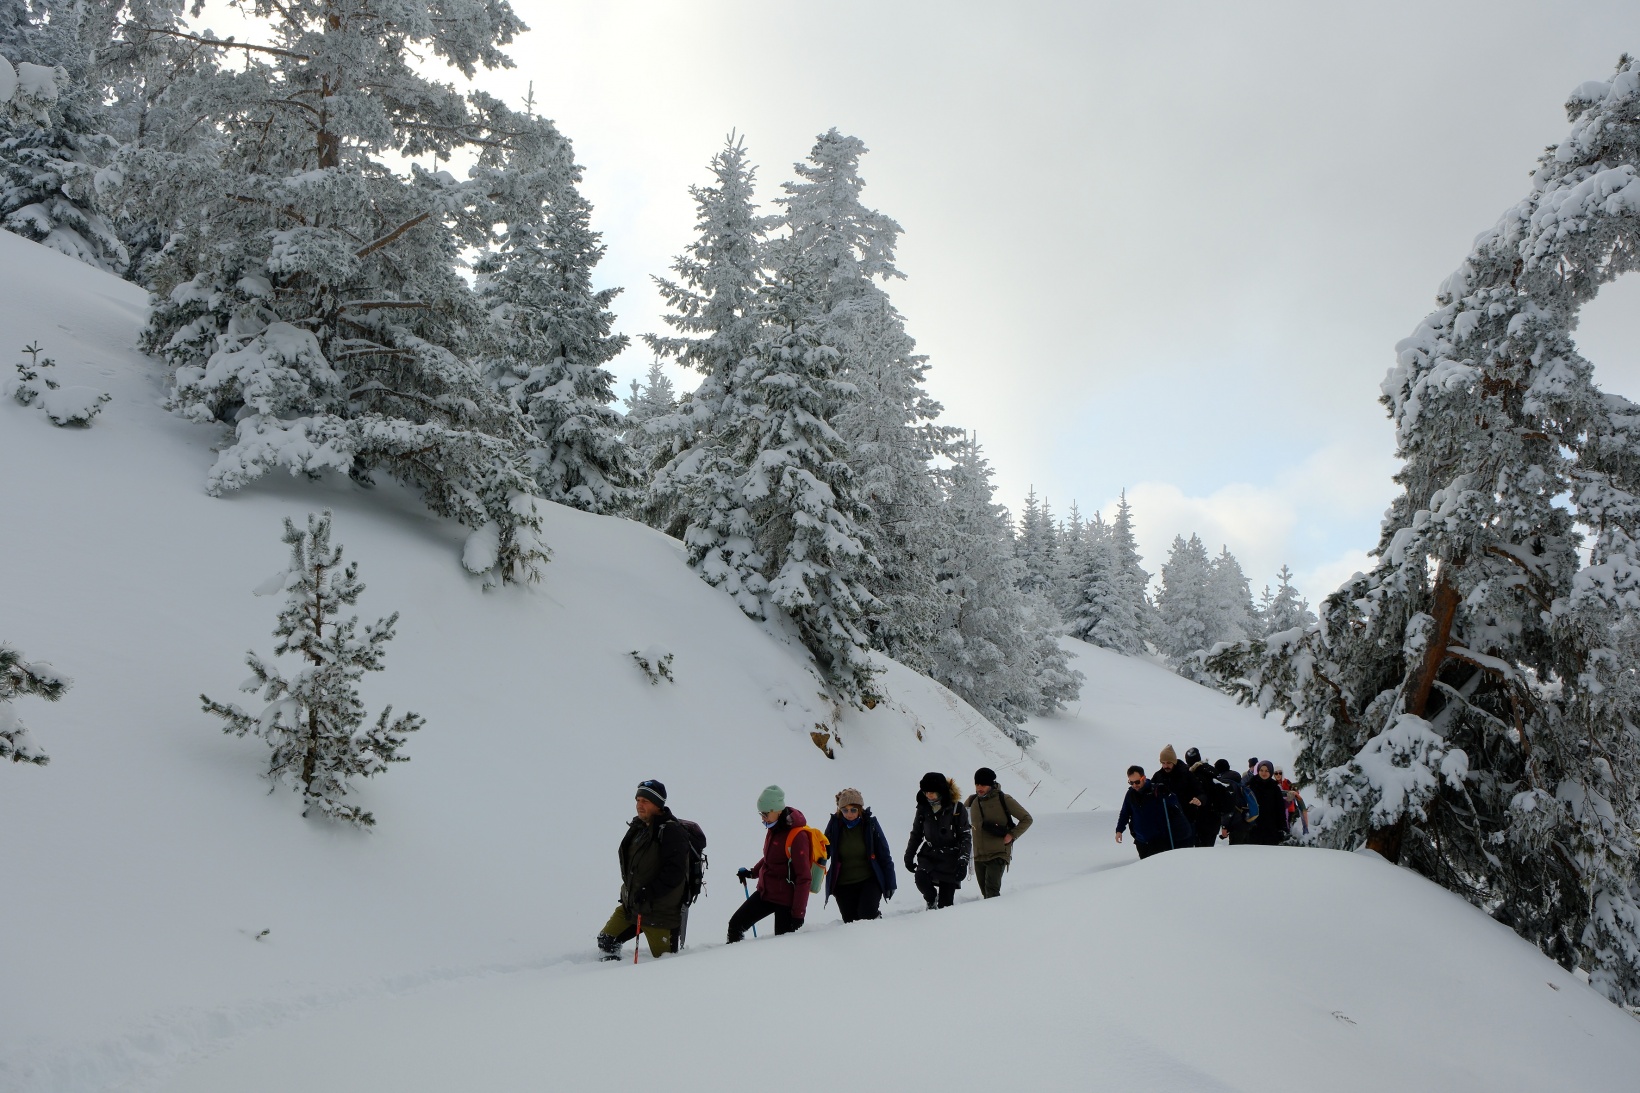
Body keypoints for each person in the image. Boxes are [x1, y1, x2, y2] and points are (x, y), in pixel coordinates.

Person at [596, 779, 690, 961]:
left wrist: (648, 892)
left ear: (658, 804)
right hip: (633, 907)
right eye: (638, 800)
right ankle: (611, 979)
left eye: (645, 801)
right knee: (607, 940)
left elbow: (674, 873)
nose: (639, 805)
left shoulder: (672, 832)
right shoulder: (638, 827)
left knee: (665, 961)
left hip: (661, 914)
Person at [727, 785, 813, 942]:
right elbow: (770, 858)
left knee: (782, 945)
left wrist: (798, 913)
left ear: (778, 811)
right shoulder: (773, 828)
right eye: (761, 814)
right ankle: (735, 962)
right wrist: (752, 872)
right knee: (735, 924)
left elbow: (804, 877)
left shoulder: (797, 835)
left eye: (765, 814)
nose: (763, 818)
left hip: (786, 901)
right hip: (766, 892)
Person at [823, 788, 896, 922]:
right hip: (843, 884)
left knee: (867, 915)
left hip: (869, 880)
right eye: (845, 810)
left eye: (853, 810)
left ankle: (878, 927)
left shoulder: (870, 824)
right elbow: (823, 851)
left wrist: (890, 882)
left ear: (860, 809)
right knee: (851, 922)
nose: (849, 814)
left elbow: (884, 854)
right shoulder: (835, 825)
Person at [905, 772, 970, 908]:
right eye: (926, 792)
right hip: (929, 854)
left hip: (950, 857)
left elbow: (965, 836)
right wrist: (909, 855)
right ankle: (931, 899)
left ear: (941, 791)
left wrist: (963, 860)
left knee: (946, 905)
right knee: (920, 878)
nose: (928, 795)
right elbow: (917, 833)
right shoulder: (923, 808)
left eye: (932, 792)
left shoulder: (957, 808)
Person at [966, 766, 1034, 898]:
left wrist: (1012, 835)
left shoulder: (1004, 799)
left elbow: (1027, 819)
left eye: (983, 785)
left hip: (998, 853)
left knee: (991, 891)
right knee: (986, 893)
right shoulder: (971, 801)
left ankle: (998, 917)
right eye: (977, 784)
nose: (979, 787)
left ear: (991, 784)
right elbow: (959, 819)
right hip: (979, 855)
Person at [1115, 764, 1193, 857]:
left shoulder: (1156, 791)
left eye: (1137, 782)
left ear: (1143, 778)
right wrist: (1119, 830)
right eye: (1131, 783)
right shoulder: (1130, 794)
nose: (1134, 785)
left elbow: (1175, 804)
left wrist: (1168, 794)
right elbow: (1125, 813)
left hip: (1159, 841)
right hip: (1141, 841)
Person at [1183, 747, 1222, 847]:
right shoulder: (1212, 771)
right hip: (1214, 819)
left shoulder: (1194, 775)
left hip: (1201, 820)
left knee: (1200, 853)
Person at [1214, 758, 1256, 845]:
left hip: (1236, 823)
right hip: (1245, 819)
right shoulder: (1237, 780)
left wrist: (1225, 826)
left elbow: (1228, 807)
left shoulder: (1226, 784)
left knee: (1237, 853)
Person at [1248, 760, 1289, 845]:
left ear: (1270, 772)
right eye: (1261, 770)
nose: (1264, 773)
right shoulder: (1251, 785)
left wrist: (1282, 827)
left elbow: (1280, 809)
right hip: (1253, 827)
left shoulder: (1275, 788)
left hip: (1270, 828)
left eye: (1267, 771)